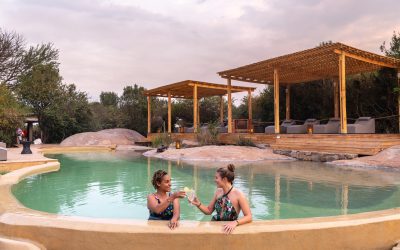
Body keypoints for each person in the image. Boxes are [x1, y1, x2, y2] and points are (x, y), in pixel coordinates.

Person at [190, 164, 252, 234]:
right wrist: (198, 204)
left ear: (224, 179)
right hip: (214, 227)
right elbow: (209, 211)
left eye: (216, 178)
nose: (215, 180)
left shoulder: (238, 194)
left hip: (228, 230)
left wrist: (235, 223)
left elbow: (249, 216)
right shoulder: (218, 191)